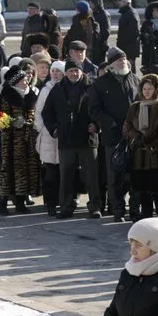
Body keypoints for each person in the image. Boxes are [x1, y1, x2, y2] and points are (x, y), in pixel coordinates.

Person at [42, 59, 102, 219]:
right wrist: (54, 129)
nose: (74, 74)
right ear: (65, 73)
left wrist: (96, 125)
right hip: (66, 140)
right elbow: (46, 113)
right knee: (66, 176)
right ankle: (66, 207)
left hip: (87, 139)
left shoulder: (92, 87)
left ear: (82, 71)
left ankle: (95, 206)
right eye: (70, 71)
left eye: (76, 71)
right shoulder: (58, 89)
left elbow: (101, 108)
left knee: (91, 176)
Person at [90, 47, 140, 222]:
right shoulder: (100, 83)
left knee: (134, 175)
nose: (123, 61)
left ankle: (134, 210)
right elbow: (94, 109)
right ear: (111, 64)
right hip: (112, 136)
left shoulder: (135, 80)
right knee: (115, 176)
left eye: (124, 59)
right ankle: (118, 211)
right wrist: (111, 123)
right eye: (119, 60)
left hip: (134, 136)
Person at [123, 74, 158, 222]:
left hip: (157, 156)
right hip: (139, 157)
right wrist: (135, 137)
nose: (147, 92)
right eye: (144, 88)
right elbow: (127, 126)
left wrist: (151, 143)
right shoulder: (135, 106)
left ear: (157, 89)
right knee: (142, 191)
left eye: (150, 88)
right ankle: (146, 220)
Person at [0, 66, 41, 215]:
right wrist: (13, 121)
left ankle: (20, 202)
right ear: (15, 82)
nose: (26, 80)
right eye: (22, 79)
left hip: (28, 139)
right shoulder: (7, 96)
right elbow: (0, 117)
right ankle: (2, 203)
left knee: (26, 170)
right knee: (8, 170)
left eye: (26, 78)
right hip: (12, 141)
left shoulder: (32, 94)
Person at [35, 61, 64, 215]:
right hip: (48, 135)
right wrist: (41, 129)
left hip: (64, 136)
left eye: (58, 71)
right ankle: (50, 201)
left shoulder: (65, 88)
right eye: (53, 71)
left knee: (63, 170)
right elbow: (39, 112)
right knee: (50, 171)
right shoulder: (45, 90)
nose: (55, 74)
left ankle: (63, 200)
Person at [116, 0, 140, 73]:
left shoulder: (131, 13)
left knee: (130, 70)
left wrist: (122, 41)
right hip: (126, 47)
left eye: (120, 0)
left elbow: (134, 32)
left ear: (125, 1)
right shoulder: (127, 13)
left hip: (129, 48)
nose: (118, 2)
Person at [140, 2, 158, 69]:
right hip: (149, 49)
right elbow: (142, 35)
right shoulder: (147, 23)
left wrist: (157, 38)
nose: (155, 13)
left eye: (157, 11)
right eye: (153, 11)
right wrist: (146, 36)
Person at [89, 0, 111, 64]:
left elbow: (106, 31)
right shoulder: (93, 13)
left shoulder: (104, 14)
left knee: (99, 64)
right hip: (94, 45)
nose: (90, 5)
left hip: (100, 45)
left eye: (91, 3)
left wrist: (98, 39)